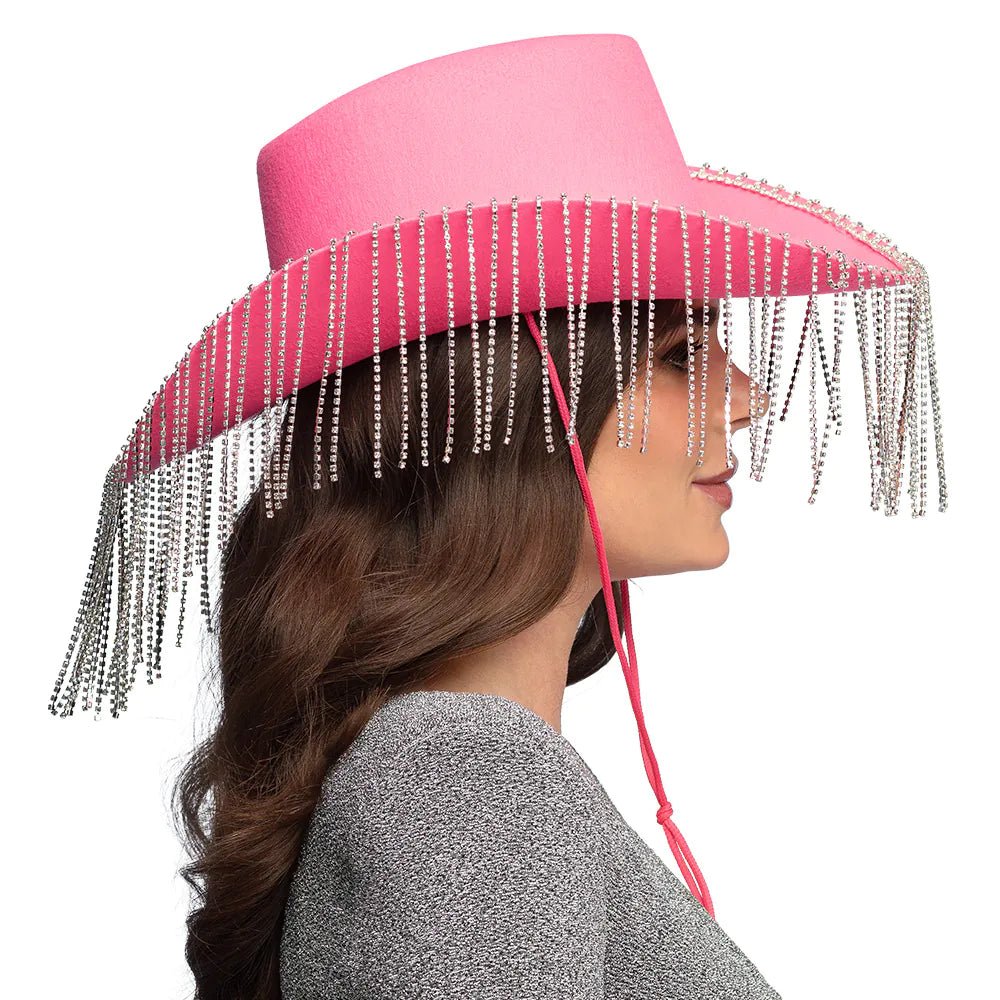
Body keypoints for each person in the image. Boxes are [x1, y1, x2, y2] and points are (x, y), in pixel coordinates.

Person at [51, 32, 945, 1000]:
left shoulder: (449, 774)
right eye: (682, 353)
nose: (747, 398)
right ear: (516, 406)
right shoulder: (467, 779)